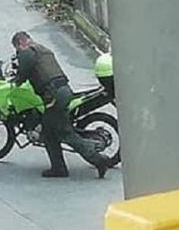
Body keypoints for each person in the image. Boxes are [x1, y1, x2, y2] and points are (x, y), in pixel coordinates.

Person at [11, 31, 110, 178]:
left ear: (20, 43)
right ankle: (59, 168)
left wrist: (16, 80)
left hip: (54, 95)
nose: (18, 51)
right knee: (48, 131)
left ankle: (98, 159)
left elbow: (23, 71)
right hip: (63, 90)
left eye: (17, 48)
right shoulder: (43, 49)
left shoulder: (27, 52)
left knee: (64, 131)